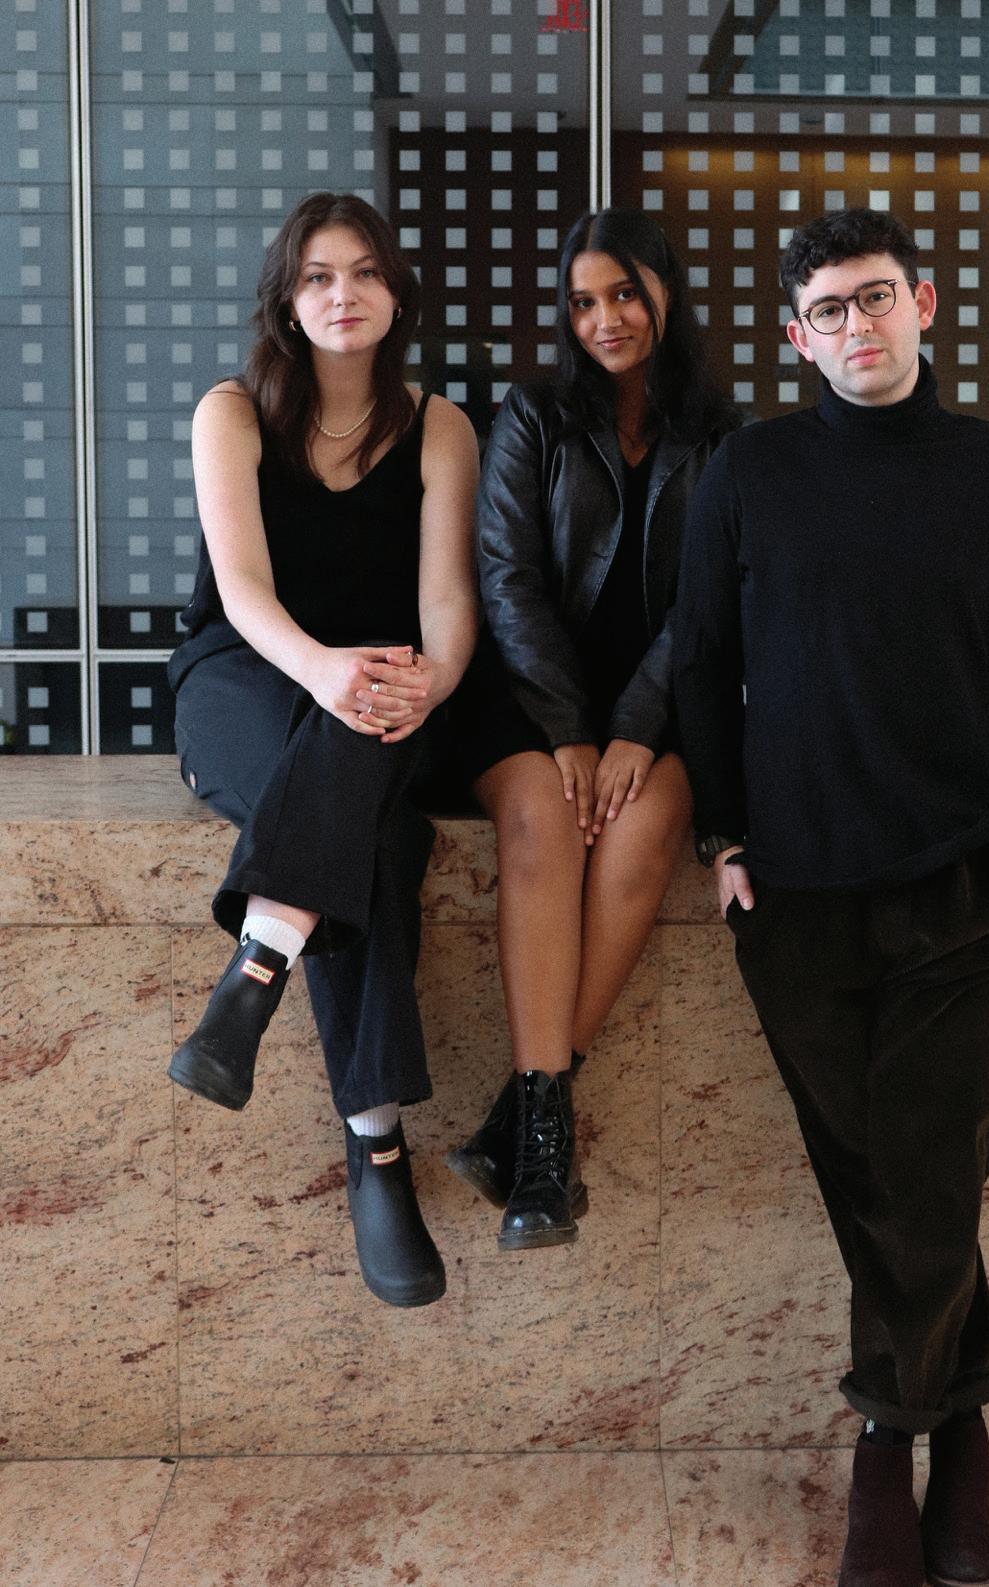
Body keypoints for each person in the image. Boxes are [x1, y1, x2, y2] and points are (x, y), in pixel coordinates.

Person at [672, 208, 989, 1587]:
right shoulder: (750, 470)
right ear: (795, 337)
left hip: (966, 880)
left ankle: (884, 1447)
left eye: (874, 298)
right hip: (796, 890)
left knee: (925, 1167)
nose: (854, 325)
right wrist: (722, 834)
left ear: (924, 303)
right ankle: (964, 1433)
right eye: (827, 310)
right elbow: (701, 662)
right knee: (875, 1178)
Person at [166, 192, 479, 1309]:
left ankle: (256, 970)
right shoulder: (232, 412)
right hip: (245, 677)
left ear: (396, 293)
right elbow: (244, 591)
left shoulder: (439, 428)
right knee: (371, 835)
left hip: (383, 687)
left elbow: (448, 604)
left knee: (374, 811)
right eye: (317, 276)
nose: (343, 294)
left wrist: (436, 677)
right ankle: (376, 1147)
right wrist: (325, 672)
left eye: (364, 272)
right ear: (287, 301)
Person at [440, 208, 738, 1252]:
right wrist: (571, 728)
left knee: (646, 829)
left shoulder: (721, 433)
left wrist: (638, 727)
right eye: (581, 302)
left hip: (665, 700)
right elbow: (506, 578)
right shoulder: (532, 415)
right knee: (546, 823)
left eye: (622, 294)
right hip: (530, 694)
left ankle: (523, 1123)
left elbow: (710, 602)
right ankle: (541, 1145)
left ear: (664, 291)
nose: (603, 319)